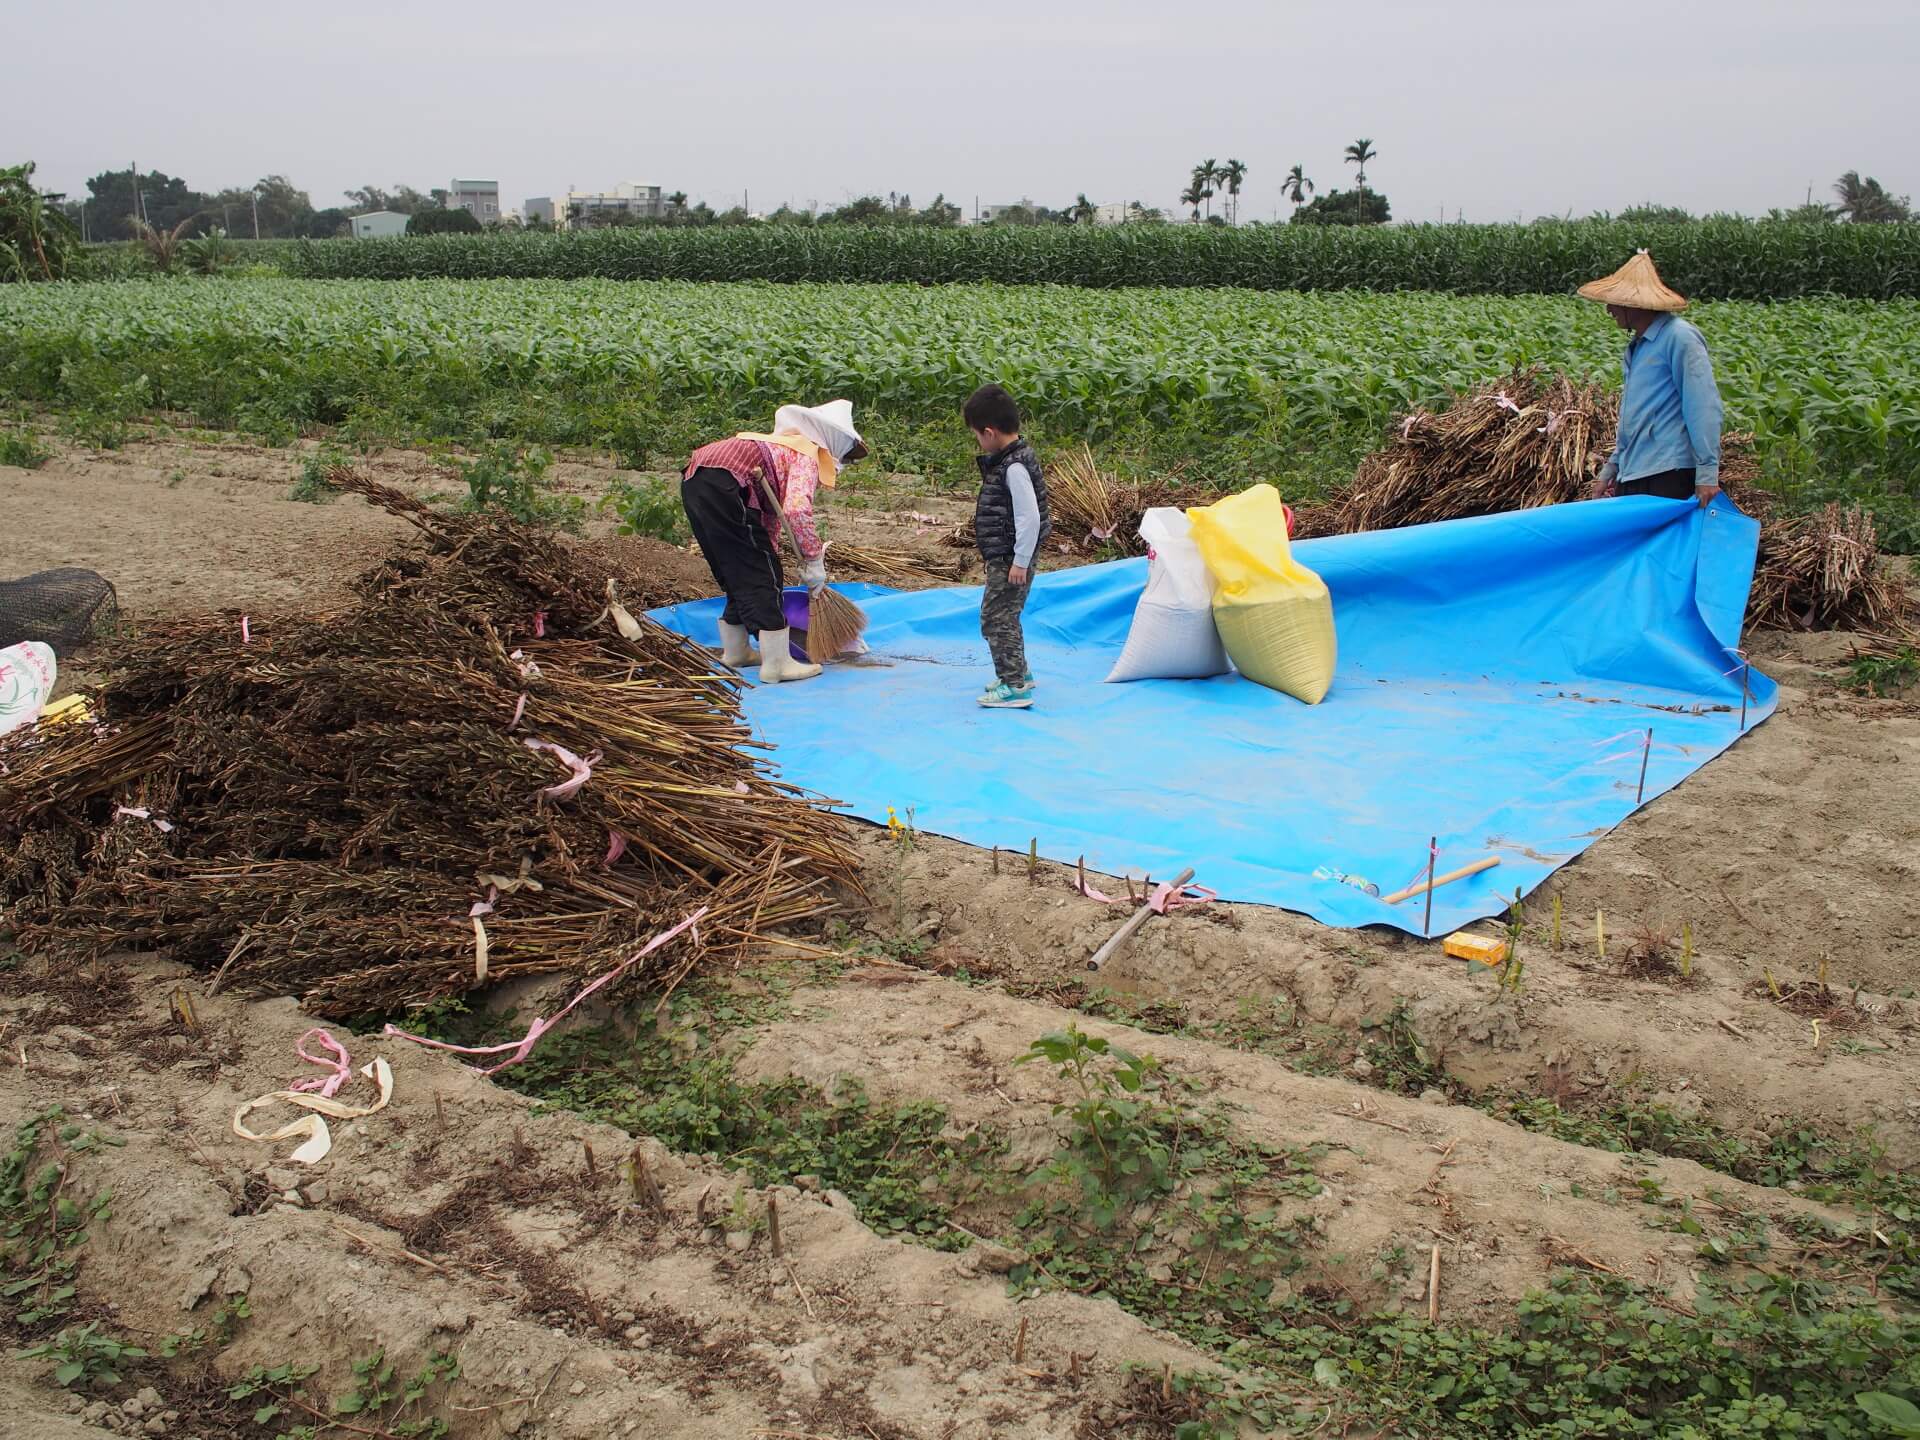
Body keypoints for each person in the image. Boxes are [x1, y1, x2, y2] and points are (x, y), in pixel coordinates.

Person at [681, 400, 866, 684]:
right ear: (832, 443)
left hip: (697, 478)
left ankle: (737, 651)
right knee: (762, 575)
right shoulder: (805, 452)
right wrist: (814, 560)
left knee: (738, 571)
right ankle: (778, 664)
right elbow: (796, 510)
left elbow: (769, 520)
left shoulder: (777, 448)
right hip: (725, 482)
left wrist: (773, 554)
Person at [1579, 250, 1724, 507]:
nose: (1609, 309)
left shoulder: (1680, 338)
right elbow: (1634, 418)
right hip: (1634, 471)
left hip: (1667, 474)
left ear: (1634, 305)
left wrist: (1707, 473)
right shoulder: (1638, 347)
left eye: (1615, 302)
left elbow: (1702, 407)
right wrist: (1611, 468)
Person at [964, 384, 1051, 710]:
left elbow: (1029, 517)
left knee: (996, 620)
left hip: (1011, 558)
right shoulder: (1013, 459)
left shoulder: (1013, 467)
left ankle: (1014, 685)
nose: (978, 441)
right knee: (1005, 617)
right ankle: (1018, 673)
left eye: (976, 435)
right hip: (1008, 555)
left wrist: (1020, 561)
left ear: (989, 432)